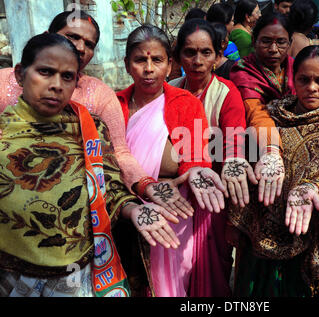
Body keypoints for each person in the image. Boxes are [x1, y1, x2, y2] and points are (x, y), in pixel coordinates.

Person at [0, 33, 179, 297]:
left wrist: (132, 210)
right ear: (19, 74)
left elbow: (110, 186)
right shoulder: (3, 132)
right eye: (45, 72)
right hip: (10, 276)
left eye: (67, 76)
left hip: (76, 276)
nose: (56, 85)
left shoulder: (89, 127)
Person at [0, 10, 190, 224]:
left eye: (89, 44)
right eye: (72, 37)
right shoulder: (3, 84)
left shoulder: (99, 99)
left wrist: (144, 186)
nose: (80, 48)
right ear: (20, 74)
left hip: (74, 223)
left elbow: (115, 157)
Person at [228, 45, 319, 297]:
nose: (312, 87)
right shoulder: (273, 114)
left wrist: (313, 189)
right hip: (257, 236)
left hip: (304, 236)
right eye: (304, 79)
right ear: (294, 80)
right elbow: (245, 154)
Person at [117, 24, 230, 297]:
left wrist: (194, 172)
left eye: (156, 60)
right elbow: (110, 159)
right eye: (140, 60)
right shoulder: (115, 103)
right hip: (125, 209)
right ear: (127, 64)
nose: (148, 68)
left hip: (173, 212)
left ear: (169, 65)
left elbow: (195, 156)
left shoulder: (185, 103)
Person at [169, 18, 256, 297]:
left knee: (212, 268)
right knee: (177, 265)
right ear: (178, 55)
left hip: (213, 197)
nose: (197, 60)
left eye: (205, 53)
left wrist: (232, 161)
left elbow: (233, 141)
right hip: (175, 194)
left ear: (218, 56)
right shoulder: (169, 88)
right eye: (189, 52)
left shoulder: (226, 93)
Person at [230, 12, 295, 207]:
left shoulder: (296, 68)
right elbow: (257, 112)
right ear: (254, 40)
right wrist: (272, 152)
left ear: (290, 42)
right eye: (266, 41)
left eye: (281, 42)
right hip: (256, 153)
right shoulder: (243, 70)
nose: (274, 49)